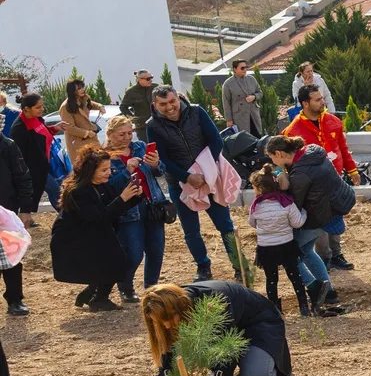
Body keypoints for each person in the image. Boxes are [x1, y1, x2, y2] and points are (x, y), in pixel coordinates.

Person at [142, 281, 293, 376]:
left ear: (180, 307)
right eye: (160, 323)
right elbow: (167, 357)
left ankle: (263, 360)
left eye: (168, 320)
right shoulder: (170, 315)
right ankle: (242, 368)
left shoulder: (214, 304)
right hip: (229, 333)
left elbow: (226, 355)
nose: (167, 326)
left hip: (257, 326)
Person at [147, 86, 239, 282]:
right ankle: (203, 266)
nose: (170, 107)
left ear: (178, 98)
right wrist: (187, 177)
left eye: (172, 101)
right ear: (155, 105)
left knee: (225, 225)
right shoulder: (152, 126)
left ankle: (239, 264)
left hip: (210, 178)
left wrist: (203, 171)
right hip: (179, 183)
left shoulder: (196, 111)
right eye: (163, 104)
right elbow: (163, 158)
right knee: (191, 230)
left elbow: (215, 141)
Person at [266, 135, 352, 315]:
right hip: (332, 209)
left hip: (318, 217)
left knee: (290, 254)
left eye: (272, 158)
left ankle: (315, 289)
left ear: (279, 154)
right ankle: (329, 292)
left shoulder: (300, 174)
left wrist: (279, 175)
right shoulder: (313, 152)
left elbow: (293, 205)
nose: (272, 162)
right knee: (306, 250)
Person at [50, 144, 141, 311]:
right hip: (73, 238)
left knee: (116, 260)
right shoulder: (78, 191)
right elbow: (99, 217)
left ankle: (94, 295)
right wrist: (123, 198)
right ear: (90, 171)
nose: (109, 173)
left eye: (109, 169)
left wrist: (135, 196)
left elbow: (114, 206)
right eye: (104, 170)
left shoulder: (101, 184)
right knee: (111, 261)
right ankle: (98, 297)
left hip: (92, 233)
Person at [283, 84, 358, 271]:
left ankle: (337, 255)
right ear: (305, 103)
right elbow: (288, 162)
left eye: (322, 98)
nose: (323, 102)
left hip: (335, 181)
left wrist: (353, 170)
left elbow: (343, 149)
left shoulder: (333, 122)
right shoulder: (293, 132)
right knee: (319, 222)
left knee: (336, 218)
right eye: (318, 100)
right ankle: (323, 258)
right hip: (313, 188)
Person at [104, 115, 167, 301]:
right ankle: (126, 287)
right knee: (133, 253)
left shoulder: (139, 147)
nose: (127, 137)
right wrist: (127, 171)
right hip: (127, 211)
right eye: (121, 134)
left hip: (152, 203)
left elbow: (160, 172)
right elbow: (108, 187)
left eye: (129, 132)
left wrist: (156, 164)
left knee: (156, 250)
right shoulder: (105, 156)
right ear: (110, 134)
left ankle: (152, 288)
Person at [246, 166, 310, 316]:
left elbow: (252, 223)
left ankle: (275, 308)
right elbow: (297, 223)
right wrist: (304, 213)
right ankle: (303, 305)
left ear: (260, 189)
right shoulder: (287, 203)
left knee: (271, 279)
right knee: (294, 276)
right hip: (286, 245)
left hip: (266, 248)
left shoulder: (256, 206)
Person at [8, 93, 58, 213]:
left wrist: (55, 128)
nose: (42, 109)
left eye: (42, 106)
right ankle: (69, 220)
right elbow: (20, 157)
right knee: (57, 192)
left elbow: (43, 135)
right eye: (38, 107)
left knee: (55, 191)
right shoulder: (19, 129)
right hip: (35, 170)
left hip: (45, 164)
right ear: (26, 109)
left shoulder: (37, 119)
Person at [0, 129, 32, 315]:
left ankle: (15, 299)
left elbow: (22, 177)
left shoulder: (8, 146)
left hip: (6, 214)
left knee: (11, 258)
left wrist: (26, 209)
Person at [56, 78, 104, 163]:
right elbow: (69, 128)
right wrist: (87, 133)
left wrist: (100, 106)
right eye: (78, 88)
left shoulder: (83, 99)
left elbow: (91, 104)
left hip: (91, 138)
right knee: (84, 168)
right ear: (72, 91)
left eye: (82, 87)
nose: (82, 90)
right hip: (77, 142)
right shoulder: (65, 107)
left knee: (100, 163)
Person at [220, 61, 263, 137]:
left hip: (253, 113)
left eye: (246, 67)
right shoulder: (228, 84)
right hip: (239, 116)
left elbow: (260, 93)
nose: (245, 70)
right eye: (242, 68)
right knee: (244, 138)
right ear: (235, 69)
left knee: (257, 136)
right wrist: (229, 120)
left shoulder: (251, 79)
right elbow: (226, 102)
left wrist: (254, 97)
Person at [118, 69, 156, 140]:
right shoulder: (131, 91)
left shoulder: (156, 87)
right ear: (139, 79)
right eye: (148, 79)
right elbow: (123, 107)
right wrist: (134, 119)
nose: (150, 80)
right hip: (142, 127)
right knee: (147, 148)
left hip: (158, 124)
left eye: (151, 77)